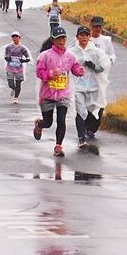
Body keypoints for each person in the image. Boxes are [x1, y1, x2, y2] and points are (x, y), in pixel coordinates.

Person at [33, 26, 84, 157]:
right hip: (47, 94)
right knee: (48, 122)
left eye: (63, 38)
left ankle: (58, 146)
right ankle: (39, 124)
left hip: (63, 94)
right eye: (58, 39)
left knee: (61, 120)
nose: (61, 41)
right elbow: (39, 73)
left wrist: (79, 71)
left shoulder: (70, 56)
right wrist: (51, 74)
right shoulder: (45, 56)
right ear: (53, 40)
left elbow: (75, 68)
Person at [68, 25, 111, 148]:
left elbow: (104, 66)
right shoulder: (71, 52)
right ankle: (81, 138)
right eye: (81, 35)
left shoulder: (96, 51)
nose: (84, 37)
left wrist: (94, 66)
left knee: (95, 110)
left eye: (86, 35)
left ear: (89, 36)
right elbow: (65, 65)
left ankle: (90, 129)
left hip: (93, 86)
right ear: (77, 37)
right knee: (80, 111)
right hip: (78, 86)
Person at [86, 16, 117, 139]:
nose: (97, 29)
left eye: (99, 26)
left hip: (101, 77)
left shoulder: (106, 40)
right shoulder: (84, 38)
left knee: (100, 102)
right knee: (87, 101)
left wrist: (105, 63)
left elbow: (112, 56)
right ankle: (85, 126)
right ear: (91, 26)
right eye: (95, 26)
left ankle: (93, 128)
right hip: (87, 76)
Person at [2, 31, 32, 103]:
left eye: (16, 36)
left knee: (18, 83)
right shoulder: (8, 47)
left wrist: (23, 60)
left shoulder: (22, 48)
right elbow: (5, 56)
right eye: (13, 37)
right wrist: (8, 59)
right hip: (10, 68)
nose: (15, 38)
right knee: (10, 84)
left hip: (19, 69)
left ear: (19, 38)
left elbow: (28, 57)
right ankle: (13, 88)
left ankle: (16, 97)